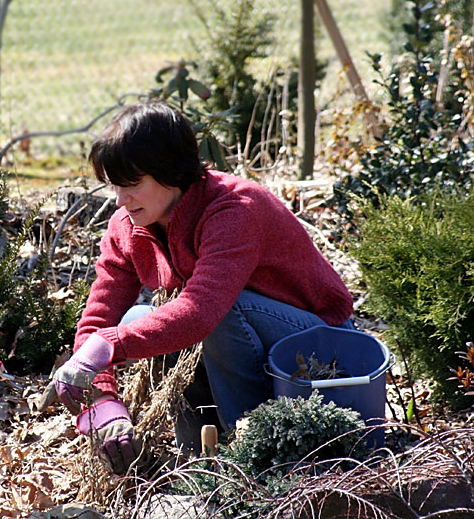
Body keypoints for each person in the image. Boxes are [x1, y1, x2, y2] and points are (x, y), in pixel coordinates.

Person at [52, 101, 356, 474]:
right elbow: (99, 317)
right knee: (141, 317)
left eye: (132, 185)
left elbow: (201, 310)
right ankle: (200, 464)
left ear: (171, 172)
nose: (120, 199)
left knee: (211, 312)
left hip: (324, 345)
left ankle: (252, 458)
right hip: (244, 340)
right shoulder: (126, 226)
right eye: (115, 186)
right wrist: (100, 403)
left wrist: (109, 345)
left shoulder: (234, 209)